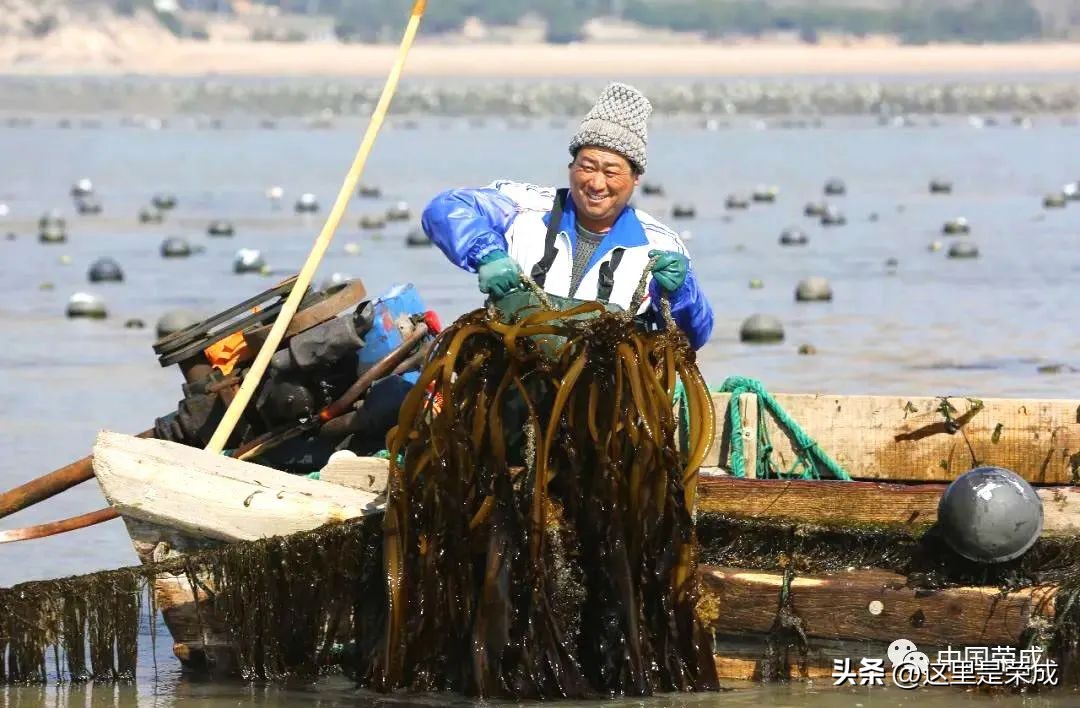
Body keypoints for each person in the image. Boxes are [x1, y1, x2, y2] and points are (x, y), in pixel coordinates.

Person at [421, 82, 713, 350]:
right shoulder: (524, 207)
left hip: (605, 397)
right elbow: (445, 209)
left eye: (611, 172)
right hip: (512, 381)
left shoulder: (660, 246)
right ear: (571, 166)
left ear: (636, 178)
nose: (597, 184)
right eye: (587, 167)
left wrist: (681, 294)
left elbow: (692, 338)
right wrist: (485, 253)